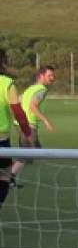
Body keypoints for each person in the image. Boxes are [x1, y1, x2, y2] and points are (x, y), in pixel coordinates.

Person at [7, 65, 56, 185]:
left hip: (21, 124)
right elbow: (33, 106)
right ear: (41, 76)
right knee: (26, 154)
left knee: (36, 151)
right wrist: (46, 121)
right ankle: (9, 177)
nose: (52, 78)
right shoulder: (41, 90)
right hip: (28, 125)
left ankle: (9, 174)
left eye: (53, 75)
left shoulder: (30, 88)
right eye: (49, 75)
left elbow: (19, 100)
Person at [0, 51, 37, 206]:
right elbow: (17, 111)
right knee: (4, 176)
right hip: (1, 141)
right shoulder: (6, 83)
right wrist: (27, 133)